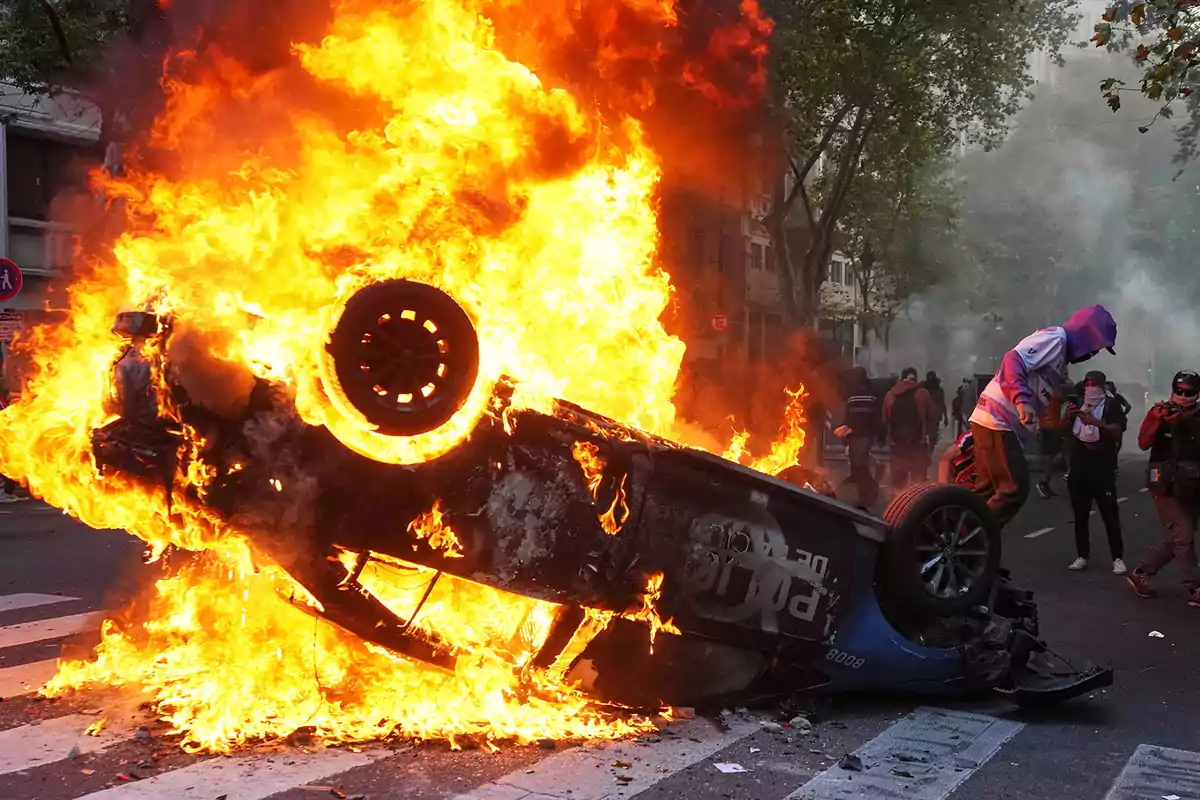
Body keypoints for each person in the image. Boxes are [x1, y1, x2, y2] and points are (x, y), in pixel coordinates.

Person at [969, 304, 1118, 529]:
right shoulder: (1055, 339)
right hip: (998, 419)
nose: (1092, 354)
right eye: (1095, 347)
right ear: (1086, 335)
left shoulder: (1060, 357)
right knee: (1014, 489)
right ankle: (972, 538)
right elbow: (1013, 360)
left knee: (987, 490)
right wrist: (1021, 401)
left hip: (996, 421)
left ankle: (970, 547)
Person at [1126, 369, 1200, 606]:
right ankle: (1195, 587)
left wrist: (1185, 422)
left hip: (1191, 485)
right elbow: (1143, 442)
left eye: (1188, 393)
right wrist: (1157, 420)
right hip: (1164, 485)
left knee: (1175, 539)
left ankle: (1141, 573)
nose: (1182, 396)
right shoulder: (1161, 411)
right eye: (1178, 391)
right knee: (1184, 534)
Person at [1064, 370, 1127, 573]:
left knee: (1109, 514)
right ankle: (1082, 555)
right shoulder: (1080, 401)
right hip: (1079, 466)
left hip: (1103, 467)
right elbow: (1065, 430)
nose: (1090, 387)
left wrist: (1096, 423)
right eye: (1087, 383)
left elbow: (1117, 431)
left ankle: (1117, 558)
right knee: (1080, 514)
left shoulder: (1111, 404)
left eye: (1094, 384)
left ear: (1101, 385)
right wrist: (1068, 417)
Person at [832, 367, 881, 508]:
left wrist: (877, 433)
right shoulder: (852, 397)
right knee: (856, 466)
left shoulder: (870, 396)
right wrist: (844, 429)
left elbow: (872, 417)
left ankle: (868, 493)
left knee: (860, 464)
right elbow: (848, 417)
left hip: (864, 435)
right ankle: (865, 493)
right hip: (854, 435)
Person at [884, 367, 936, 489]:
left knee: (898, 485)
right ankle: (917, 507)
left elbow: (885, 420)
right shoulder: (923, 393)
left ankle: (898, 506)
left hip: (897, 444)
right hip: (918, 444)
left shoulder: (890, 395)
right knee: (918, 485)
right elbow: (933, 417)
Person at [1035, 382, 1071, 499]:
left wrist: (1038, 428)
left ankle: (1046, 484)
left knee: (1057, 453)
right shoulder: (1060, 393)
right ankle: (1043, 483)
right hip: (1054, 428)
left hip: (1048, 427)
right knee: (1054, 455)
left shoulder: (1045, 393)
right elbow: (1063, 412)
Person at [922, 370, 949, 455]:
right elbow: (942, 403)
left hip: (929, 415)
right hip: (931, 415)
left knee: (930, 435)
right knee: (931, 436)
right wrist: (945, 417)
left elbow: (942, 403)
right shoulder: (936, 389)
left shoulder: (924, 388)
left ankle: (928, 453)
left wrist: (946, 417)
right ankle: (928, 453)